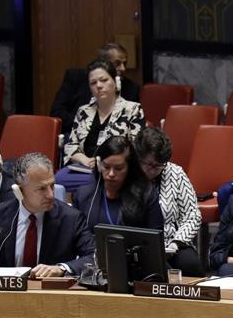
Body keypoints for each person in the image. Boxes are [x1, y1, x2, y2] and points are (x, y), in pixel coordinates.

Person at [0, 152, 94, 277]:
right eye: (41, 189)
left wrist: (61, 268)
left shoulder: (71, 218)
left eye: (52, 185)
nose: (50, 195)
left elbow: (93, 257)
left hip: (50, 290)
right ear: (19, 191)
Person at [54, 59, 146, 192]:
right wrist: (84, 160)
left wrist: (105, 163)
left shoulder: (132, 109)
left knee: (95, 183)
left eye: (104, 80)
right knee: (57, 180)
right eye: (93, 83)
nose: (98, 85)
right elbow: (71, 145)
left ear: (115, 81)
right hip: (84, 168)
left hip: (113, 170)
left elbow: (136, 148)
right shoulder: (83, 111)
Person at [134, 127, 203, 276]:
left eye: (160, 165)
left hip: (172, 242)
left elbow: (192, 215)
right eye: (150, 164)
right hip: (137, 243)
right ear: (139, 157)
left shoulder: (175, 173)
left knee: (191, 264)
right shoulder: (128, 174)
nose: (155, 170)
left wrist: (176, 242)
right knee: (158, 269)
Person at [72, 136, 163, 233]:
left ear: (129, 168)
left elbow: (155, 237)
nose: (111, 174)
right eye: (106, 167)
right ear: (99, 165)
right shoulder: (83, 195)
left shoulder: (146, 195)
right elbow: (75, 234)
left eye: (118, 168)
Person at [50, 43, 141, 137]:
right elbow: (57, 112)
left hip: (114, 139)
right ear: (103, 63)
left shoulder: (131, 88)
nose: (123, 68)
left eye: (124, 63)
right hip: (75, 134)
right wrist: (85, 126)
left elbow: (133, 121)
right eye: (117, 64)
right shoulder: (76, 78)